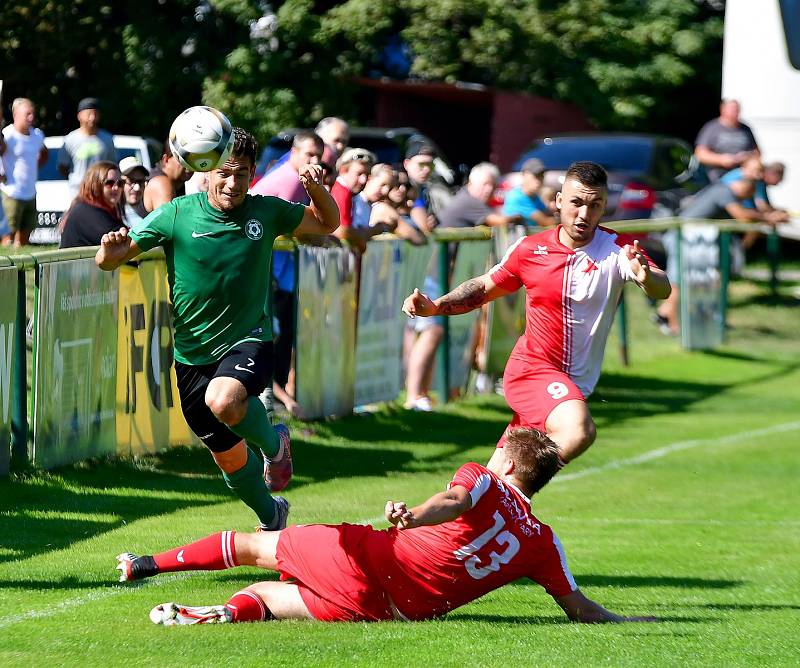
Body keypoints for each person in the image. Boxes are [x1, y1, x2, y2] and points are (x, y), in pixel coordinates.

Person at [115, 426, 654, 626]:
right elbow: (578, 608)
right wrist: (632, 620)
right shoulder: (544, 542)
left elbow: (453, 499)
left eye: (497, 450)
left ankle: (146, 564)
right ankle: (220, 614)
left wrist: (412, 516)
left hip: (371, 558)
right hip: (389, 610)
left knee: (258, 548)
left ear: (509, 464)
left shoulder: (485, 482)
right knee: (269, 597)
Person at [95, 128, 340, 531]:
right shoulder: (176, 214)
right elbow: (110, 259)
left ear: (253, 172)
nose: (232, 182)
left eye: (242, 173)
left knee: (225, 400)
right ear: (206, 171)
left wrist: (316, 189)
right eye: (225, 173)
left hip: (250, 342)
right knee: (228, 459)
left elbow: (327, 223)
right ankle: (271, 516)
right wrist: (111, 247)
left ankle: (275, 444)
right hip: (191, 356)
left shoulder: (266, 211)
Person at [403, 162, 671, 467]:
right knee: (578, 431)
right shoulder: (530, 249)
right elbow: (483, 288)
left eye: (594, 205)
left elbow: (662, 289)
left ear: (604, 207)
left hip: (572, 385)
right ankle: (516, 495)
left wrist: (647, 276)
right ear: (558, 201)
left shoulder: (618, 250)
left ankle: (471, 504)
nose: (584, 214)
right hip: (532, 370)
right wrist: (437, 306)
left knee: (496, 477)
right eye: (576, 203)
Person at [249, 130, 326, 419]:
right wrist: (319, 238)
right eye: (309, 154)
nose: (314, 160)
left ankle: (276, 399)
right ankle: (273, 400)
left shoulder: (295, 177)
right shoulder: (292, 179)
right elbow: (298, 224)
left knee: (280, 337)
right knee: (275, 336)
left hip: (276, 270)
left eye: (318, 155)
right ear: (294, 153)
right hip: (269, 271)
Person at [654, 165, 776, 334]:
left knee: (687, 280)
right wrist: (767, 217)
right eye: (745, 196)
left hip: (689, 238)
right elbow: (742, 216)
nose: (742, 200)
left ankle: (664, 314)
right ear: (744, 187)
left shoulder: (722, 190)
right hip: (680, 236)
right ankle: (674, 326)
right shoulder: (724, 191)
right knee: (679, 281)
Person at [0, 97, 48, 247]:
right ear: (16, 115)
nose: (31, 117)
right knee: (8, 237)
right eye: (27, 114)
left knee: (25, 237)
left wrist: (34, 168)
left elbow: (44, 153)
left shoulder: (37, 135)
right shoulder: (7, 135)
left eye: (32, 113)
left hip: (30, 192)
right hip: (11, 193)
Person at [331, 148, 390, 252]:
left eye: (367, 175)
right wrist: (374, 230)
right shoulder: (341, 191)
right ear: (343, 170)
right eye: (359, 174)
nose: (363, 180)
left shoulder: (348, 193)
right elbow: (342, 231)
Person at [59, 161, 124, 248]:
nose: (116, 188)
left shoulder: (108, 209)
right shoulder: (84, 211)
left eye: (120, 183)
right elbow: (120, 240)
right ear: (95, 184)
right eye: (109, 183)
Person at [58, 97, 116, 195]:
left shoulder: (107, 139)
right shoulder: (70, 139)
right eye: (88, 114)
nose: (92, 118)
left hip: (101, 192)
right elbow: (63, 166)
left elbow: (112, 165)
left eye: (95, 114)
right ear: (79, 116)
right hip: (78, 192)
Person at [438, 162, 523, 230]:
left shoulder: (464, 195)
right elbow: (501, 222)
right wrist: (517, 218)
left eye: (493, 185)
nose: (489, 189)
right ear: (471, 183)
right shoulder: (469, 201)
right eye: (485, 184)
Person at [694, 99, 760, 183]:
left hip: (743, 176)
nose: (736, 112)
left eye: (737, 110)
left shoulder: (746, 129)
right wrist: (722, 160)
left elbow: (757, 153)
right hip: (716, 175)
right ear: (723, 110)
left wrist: (746, 157)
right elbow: (700, 154)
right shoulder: (711, 128)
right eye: (732, 110)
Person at [502, 158, 556, 228]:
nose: (538, 180)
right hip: (513, 238)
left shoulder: (534, 196)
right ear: (524, 175)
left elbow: (547, 213)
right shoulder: (517, 197)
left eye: (541, 176)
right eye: (535, 176)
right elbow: (545, 222)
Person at [143, 139, 192, 212]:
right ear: (166, 160)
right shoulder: (161, 182)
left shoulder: (177, 183)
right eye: (184, 158)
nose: (190, 164)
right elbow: (168, 222)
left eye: (193, 158)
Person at [118, 156, 149, 228]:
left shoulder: (151, 209)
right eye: (131, 181)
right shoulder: (113, 212)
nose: (137, 188)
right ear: (120, 182)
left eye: (140, 181)